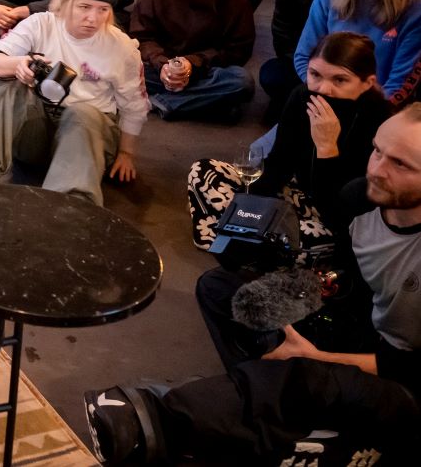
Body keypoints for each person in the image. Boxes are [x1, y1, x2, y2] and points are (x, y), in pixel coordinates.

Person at [85, 107, 421, 467]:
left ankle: (157, 422)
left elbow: (410, 367)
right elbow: (347, 277)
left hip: (404, 384)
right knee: (224, 290)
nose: (377, 170)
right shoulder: (363, 197)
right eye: (376, 150)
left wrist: (318, 358)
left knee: (312, 376)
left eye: (401, 164)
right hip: (361, 330)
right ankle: (276, 417)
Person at [0, 0, 147, 205]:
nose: (93, 18)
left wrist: (127, 152)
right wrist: (16, 65)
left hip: (90, 138)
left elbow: (134, 106)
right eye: (84, 7)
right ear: (65, 2)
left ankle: (70, 206)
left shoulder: (122, 47)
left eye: (102, 9)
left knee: (83, 114)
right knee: (8, 82)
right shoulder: (40, 24)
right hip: (37, 131)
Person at [189, 31, 392, 258]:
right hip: (298, 194)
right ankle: (248, 242)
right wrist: (246, 207)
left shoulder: (379, 120)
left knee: (307, 238)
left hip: (336, 218)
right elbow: (280, 162)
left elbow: (346, 210)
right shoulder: (302, 96)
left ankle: (255, 247)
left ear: (367, 83)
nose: (323, 89)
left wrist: (327, 148)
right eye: (315, 74)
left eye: (340, 80)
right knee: (204, 171)